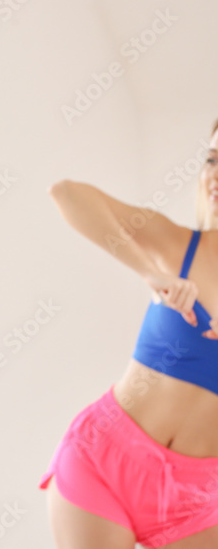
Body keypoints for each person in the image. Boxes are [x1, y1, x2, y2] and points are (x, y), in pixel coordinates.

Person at [40, 121, 218, 549]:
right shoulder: (179, 246)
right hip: (104, 461)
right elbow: (67, 193)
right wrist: (149, 271)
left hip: (198, 499)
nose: (214, 174)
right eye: (212, 160)